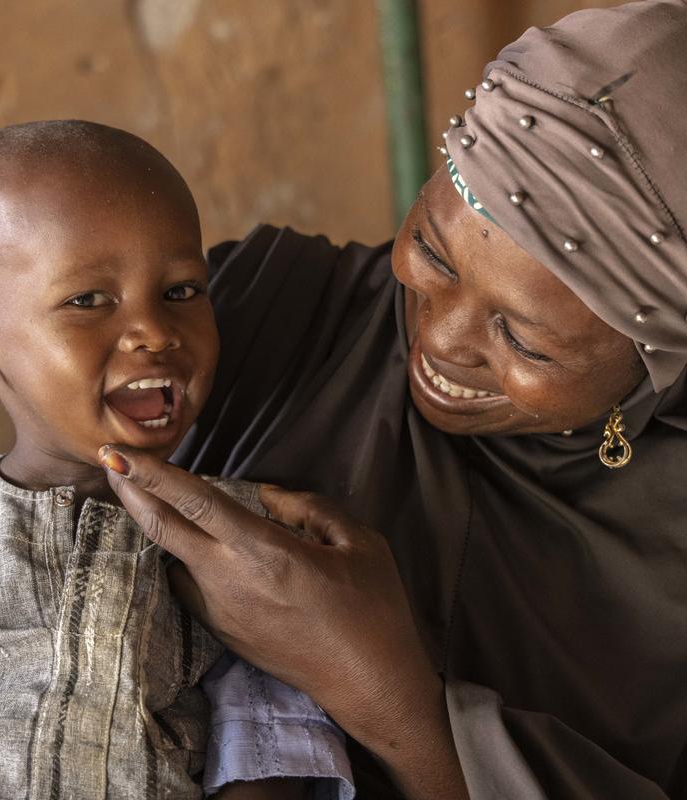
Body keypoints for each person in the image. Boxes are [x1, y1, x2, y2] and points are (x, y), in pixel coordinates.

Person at [97, 2, 687, 798]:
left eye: (523, 340)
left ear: (658, 359)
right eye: (431, 251)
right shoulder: (265, 313)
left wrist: (381, 691)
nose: (439, 341)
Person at [0, 120, 354, 799]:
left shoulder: (241, 544)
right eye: (87, 301)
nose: (155, 333)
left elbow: (272, 740)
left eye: (181, 291)